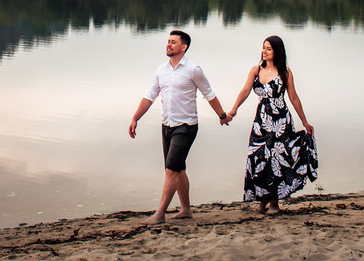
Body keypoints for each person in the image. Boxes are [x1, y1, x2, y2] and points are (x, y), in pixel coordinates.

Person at [128, 29, 230, 225]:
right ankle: (185, 210)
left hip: (186, 126)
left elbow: (209, 93)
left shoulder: (193, 70)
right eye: (168, 41)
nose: (168, 44)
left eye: (173, 42)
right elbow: (150, 96)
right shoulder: (161, 70)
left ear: (183, 47)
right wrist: (135, 118)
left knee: (171, 170)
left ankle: (160, 214)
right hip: (167, 125)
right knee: (178, 168)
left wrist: (222, 115)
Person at [226, 35, 317, 215]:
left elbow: (294, 97)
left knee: (276, 159)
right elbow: (245, 90)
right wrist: (233, 109)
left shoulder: (285, 72)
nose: (264, 51)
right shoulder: (256, 70)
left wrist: (305, 121)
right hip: (261, 121)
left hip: (281, 120)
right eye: (263, 48)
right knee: (258, 159)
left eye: (268, 48)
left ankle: (274, 203)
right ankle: (261, 201)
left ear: (277, 51)